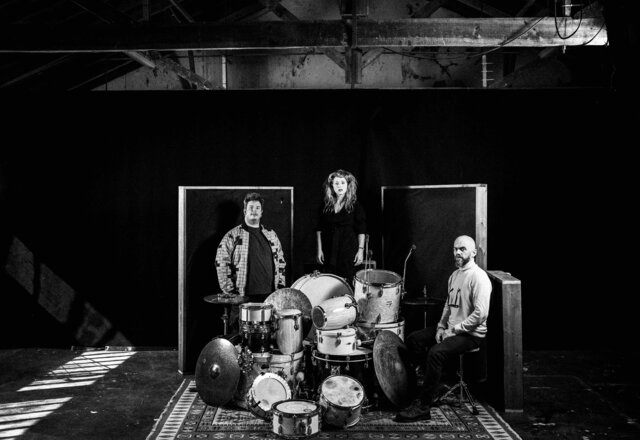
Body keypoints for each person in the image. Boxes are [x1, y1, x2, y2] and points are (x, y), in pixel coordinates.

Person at [395, 235, 492, 423]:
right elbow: (448, 305)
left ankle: (423, 407)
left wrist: (453, 331)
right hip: (451, 328)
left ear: (473, 252)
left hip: (471, 334)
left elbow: (481, 314)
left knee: (436, 353)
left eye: (462, 249)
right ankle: (428, 386)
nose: (457, 252)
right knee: (414, 340)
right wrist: (441, 327)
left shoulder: (479, 277)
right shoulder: (455, 275)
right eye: (455, 249)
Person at [215, 192, 286, 329]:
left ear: (262, 212)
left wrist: (279, 289)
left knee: (267, 336)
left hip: (269, 298)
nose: (254, 210)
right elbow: (221, 262)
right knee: (240, 336)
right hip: (243, 298)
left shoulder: (271, 235)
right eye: (251, 207)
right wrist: (231, 293)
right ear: (245, 211)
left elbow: (281, 262)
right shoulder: (233, 235)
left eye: (257, 208)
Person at [316, 169, 367, 283]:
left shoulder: (354, 205)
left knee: (347, 280)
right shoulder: (326, 205)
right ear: (332, 186)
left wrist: (360, 251)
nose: (340, 186)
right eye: (336, 183)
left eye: (343, 182)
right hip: (329, 249)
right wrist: (319, 250)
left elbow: (361, 230)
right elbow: (319, 229)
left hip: (348, 249)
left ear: (348, 185)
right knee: (329, 281)